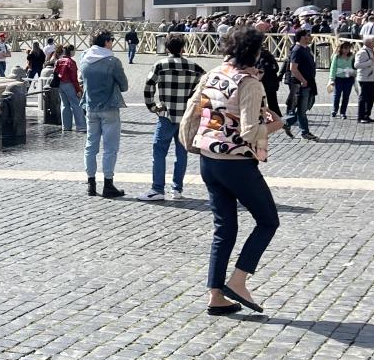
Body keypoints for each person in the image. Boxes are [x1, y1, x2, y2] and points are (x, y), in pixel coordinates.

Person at [179, 26, 285, 315]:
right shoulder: (249, 84)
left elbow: (193, 111)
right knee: (268, 221)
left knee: (224, 228)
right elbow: (250, 131)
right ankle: (238, 281)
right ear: (255, 52)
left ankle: (216, 295)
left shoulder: (212, 74)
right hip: (235, 162)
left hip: (207, 158)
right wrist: (278, 124)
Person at [139, 35, 205, 202]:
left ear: (167, 48)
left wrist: (153, 107)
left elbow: (148, 88)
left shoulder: (160, 65)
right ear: (183, 48)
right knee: (181, 153)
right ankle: (177, 189)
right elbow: (206, 86)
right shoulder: (194, 67)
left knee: (159, 151)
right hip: (186, 116)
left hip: (167, 115)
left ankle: (157, 188)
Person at [79, 32, 129, 198]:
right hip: (109, 108)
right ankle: (108, 184)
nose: (113, 43)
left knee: (90, 146)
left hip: (90, 108)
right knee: (110, 147)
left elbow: (82, 80)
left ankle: (90, 184)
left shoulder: (84, 59)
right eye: (112, 40)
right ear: (106, 42)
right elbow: (124, 86)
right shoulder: (112, 62)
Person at [285, 29, 318, 140]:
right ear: (303, 37)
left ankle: (287, 123)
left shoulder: (307, 49)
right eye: (308, 35)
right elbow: (293, 68)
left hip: (309, 82)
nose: (310, 37)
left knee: (307, 106)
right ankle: (305, 132)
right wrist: (303, 80)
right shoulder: (297, 50)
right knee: (302, 110)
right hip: (301, 84)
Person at [53, 45, 85, 134]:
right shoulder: (71, 62)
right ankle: (81, 126)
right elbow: (74, 77)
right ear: (71, 51)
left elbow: (55, 72)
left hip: (60, 85)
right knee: (76, 105)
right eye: (74, 50)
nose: (75, 52)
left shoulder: (59, 61)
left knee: (64, 105)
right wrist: (78, 89)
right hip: (69, 84)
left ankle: (66, 126)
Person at [328, 41, 356, 119]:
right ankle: (335, 110)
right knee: (337, 95)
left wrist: (354, 73)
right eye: (345, 48)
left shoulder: (352, 56)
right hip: (338, 78)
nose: (346, 50)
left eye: (348, 48)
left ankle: (343, 112)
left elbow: (355, 67)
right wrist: (332, 79)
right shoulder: (336, 56)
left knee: (346, 96)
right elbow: (333, 68)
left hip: (349, 78)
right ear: (341, 48)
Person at [355, 36, 374, 123]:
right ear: (369, 43)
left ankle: (367, 115)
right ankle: (361, 116)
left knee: (370, 98)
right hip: (364, 78)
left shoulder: (371, 51)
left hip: (371, 78)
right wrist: (369, 62)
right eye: (373, 41)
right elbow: (356, 65)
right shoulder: (362, 52)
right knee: (364, 98)